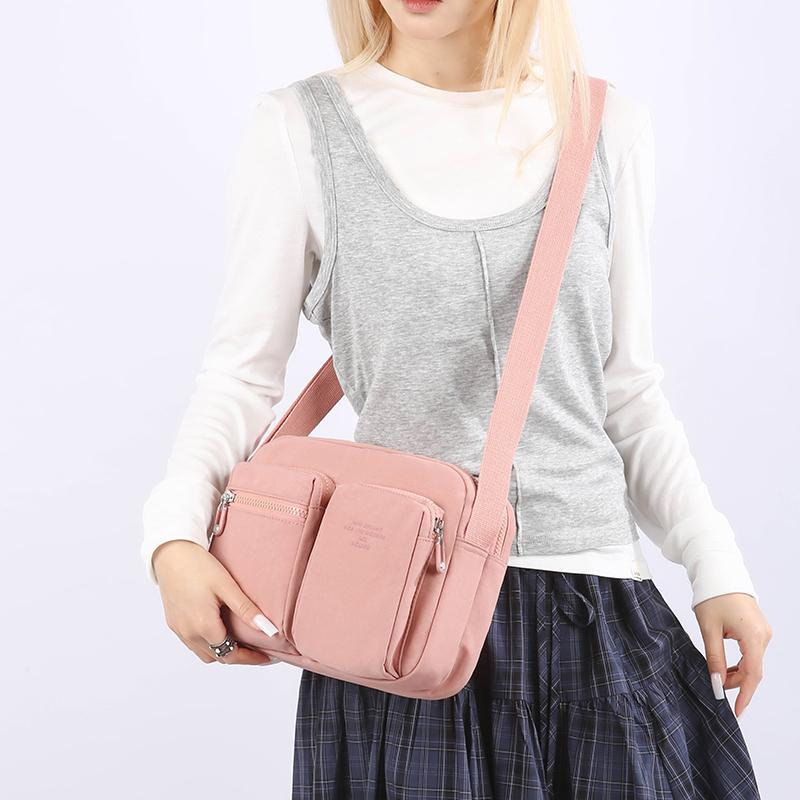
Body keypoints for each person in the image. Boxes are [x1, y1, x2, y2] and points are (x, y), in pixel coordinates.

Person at [141, 0, 772, 796]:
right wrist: (172, 539)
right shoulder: (298, 130)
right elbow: (240, 377)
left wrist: (717, 567)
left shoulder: (609, 127)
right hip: (400, 622)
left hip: (595, 612)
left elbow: (626, 390)